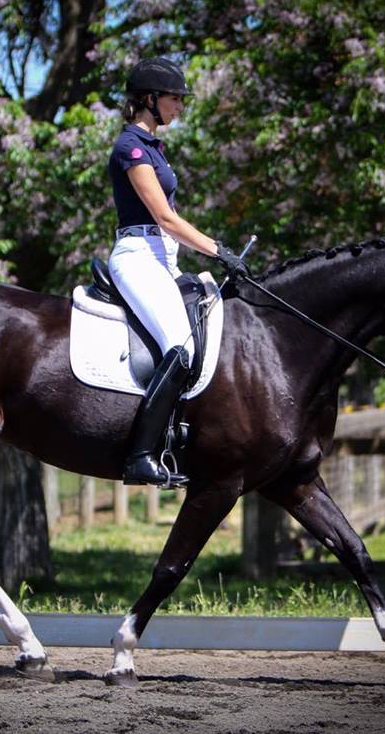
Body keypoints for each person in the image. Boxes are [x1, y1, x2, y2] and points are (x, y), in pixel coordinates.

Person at [107, 56, 249, 487]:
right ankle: (140, 456)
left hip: (162, 257)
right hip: (137, 255)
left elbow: (171, 223)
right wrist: (217, 250)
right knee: (180, 349)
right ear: (150, 100)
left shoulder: (153, 147)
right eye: (174, 99)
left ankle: (178, 436)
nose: (179, 107)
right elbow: (165, 218)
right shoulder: (130, 147)